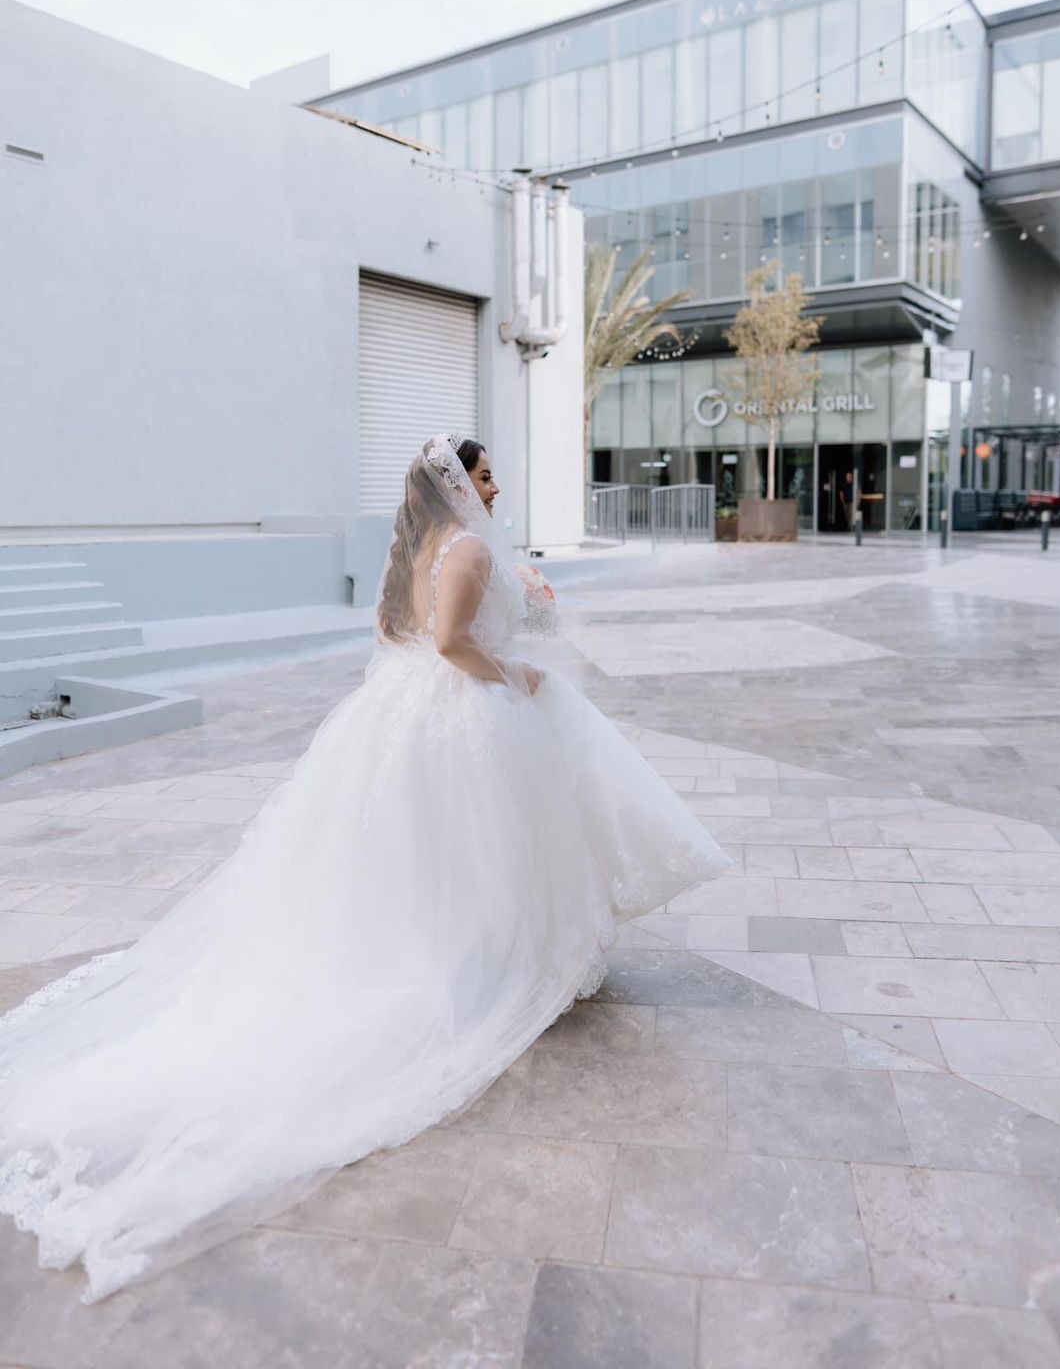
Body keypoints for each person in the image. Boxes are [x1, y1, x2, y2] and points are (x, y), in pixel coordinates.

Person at [0, 434, 730, 1302]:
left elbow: (405, 630)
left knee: (444, 852)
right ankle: (481, 953)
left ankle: (482, 935)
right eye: (484, 473)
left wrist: (523, 608)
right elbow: (454, 641)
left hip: (411, 709)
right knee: (474, 846)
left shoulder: (431, 546)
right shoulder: (460, 547)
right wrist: (517, 671)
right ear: (456, 485)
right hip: (464, 711)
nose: (496, 485)